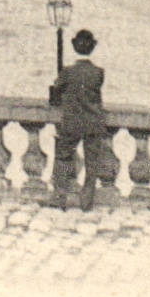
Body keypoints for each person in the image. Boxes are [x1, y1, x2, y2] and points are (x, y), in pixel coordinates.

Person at [46, 29, 109, 211]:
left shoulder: (67, 72)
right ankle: (86, 202)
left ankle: (60, 197)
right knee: (91, 164)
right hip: (93, 123)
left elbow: (55, 97)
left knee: (63, 157)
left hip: (72, 123)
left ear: (74, 46)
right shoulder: (98, 73)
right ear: (93, 47)